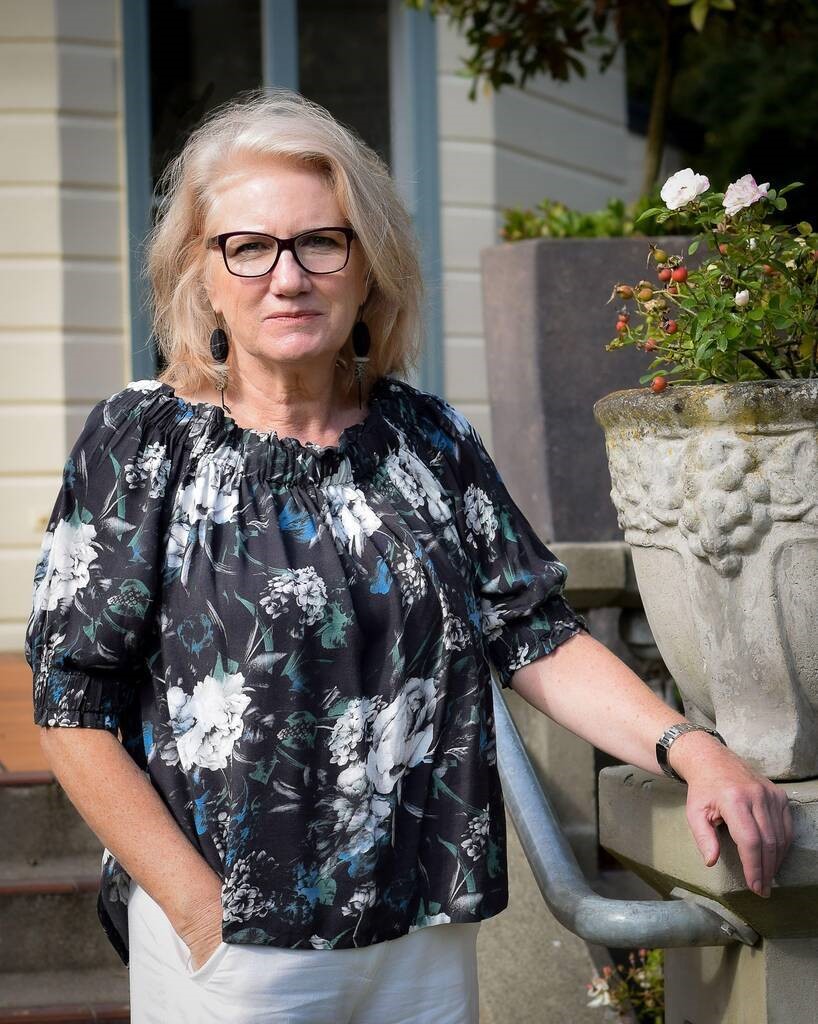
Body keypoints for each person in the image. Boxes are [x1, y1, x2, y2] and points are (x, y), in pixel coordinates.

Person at [25, 89, 792, 1024]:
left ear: (366, 264)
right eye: (249, 247)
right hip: (238, 951)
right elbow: (71, 703)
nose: (288, 277)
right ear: (203, 274)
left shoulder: (425, 439)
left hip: (424, 937)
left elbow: (534, 634)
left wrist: (694, 748)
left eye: (320, 242)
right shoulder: (141, 441)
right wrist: (196, 909)